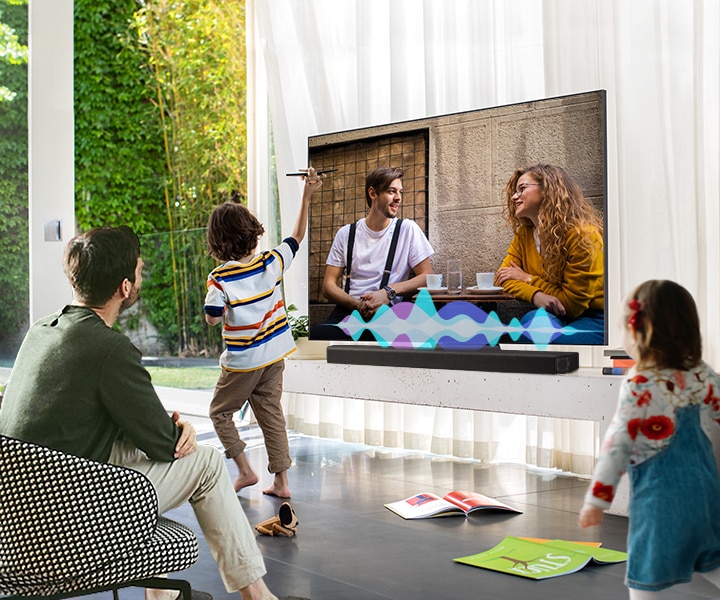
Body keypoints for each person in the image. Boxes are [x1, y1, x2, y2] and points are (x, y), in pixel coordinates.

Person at [0, 226, 294, 600]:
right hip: (66, 518)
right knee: (204, 464)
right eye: (138, 271)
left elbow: (79, 417)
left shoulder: (41, 330)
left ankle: (162, 597)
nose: (140, 276)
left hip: (15, 513)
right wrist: (180, 428)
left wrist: (156, 429)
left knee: (143, 455)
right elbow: (164, 445)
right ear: (125, 287)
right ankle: (258, 596)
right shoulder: (110, 349)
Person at [579, 280, 720, 598]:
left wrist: (597, 500)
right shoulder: (703, 374)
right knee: (711, 560)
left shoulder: (640, 382)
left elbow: (617, 443)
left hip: (661, 500)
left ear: (640, 332)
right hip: (705, 493)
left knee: (645, 571)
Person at [204, 170, 323, 498]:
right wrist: (306, 195)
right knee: (271, 413)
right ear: (253, 234)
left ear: (217, 242)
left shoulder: (219, 278)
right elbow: (296, 236)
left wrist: (219, 308)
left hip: (243, 362)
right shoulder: (271, 261)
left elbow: (213, 319)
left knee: (219, 412)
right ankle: (282, 483)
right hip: (275, 356)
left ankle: (245, 471)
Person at [310, 166, 434, 340]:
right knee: (317, 338)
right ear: (373, 193)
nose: (398, 198)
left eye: (400, 192)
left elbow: (427, 276)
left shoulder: (407, 229)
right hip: (349, 312)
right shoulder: (346, 234)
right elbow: (328, 286)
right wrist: (357, 304)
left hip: (390, 314)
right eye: (391, 192)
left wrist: (388, 292)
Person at [495, 164, 604, 344]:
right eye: (515, 191)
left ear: (547, 189)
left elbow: (569, 305)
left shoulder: (583, 235)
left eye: (522, 188)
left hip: (594, 317)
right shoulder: (524, 235)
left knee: (554, 345)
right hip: (550, 313)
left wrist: (527, 279)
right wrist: (536, 295)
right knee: (528, 330)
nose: (514, 196)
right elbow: (501, 278)